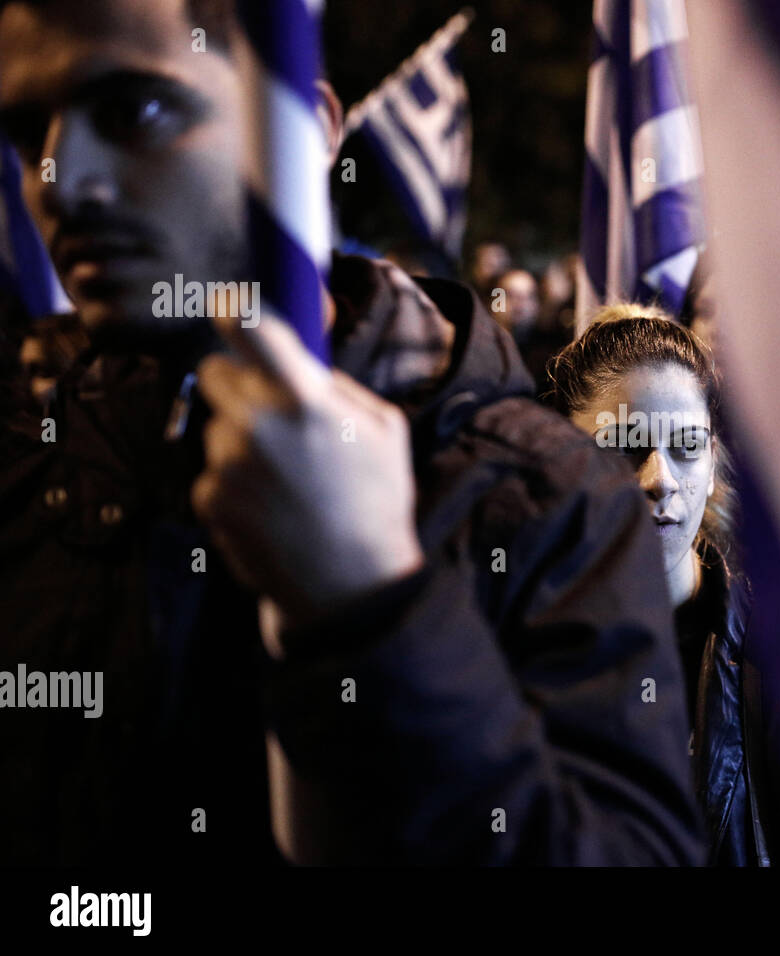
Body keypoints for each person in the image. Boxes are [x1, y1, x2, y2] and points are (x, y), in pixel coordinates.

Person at [0, 0, 701, 865]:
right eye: (29, 128)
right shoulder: (33, 449)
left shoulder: (547, 496)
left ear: (307, 130)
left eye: (136, 110)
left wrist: (380, 610)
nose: (60, 179)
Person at [545, 305, 780, 866]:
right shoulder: (505, 646)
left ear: (712, 461)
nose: (660, 479)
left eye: (686, 447)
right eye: (623, 446)